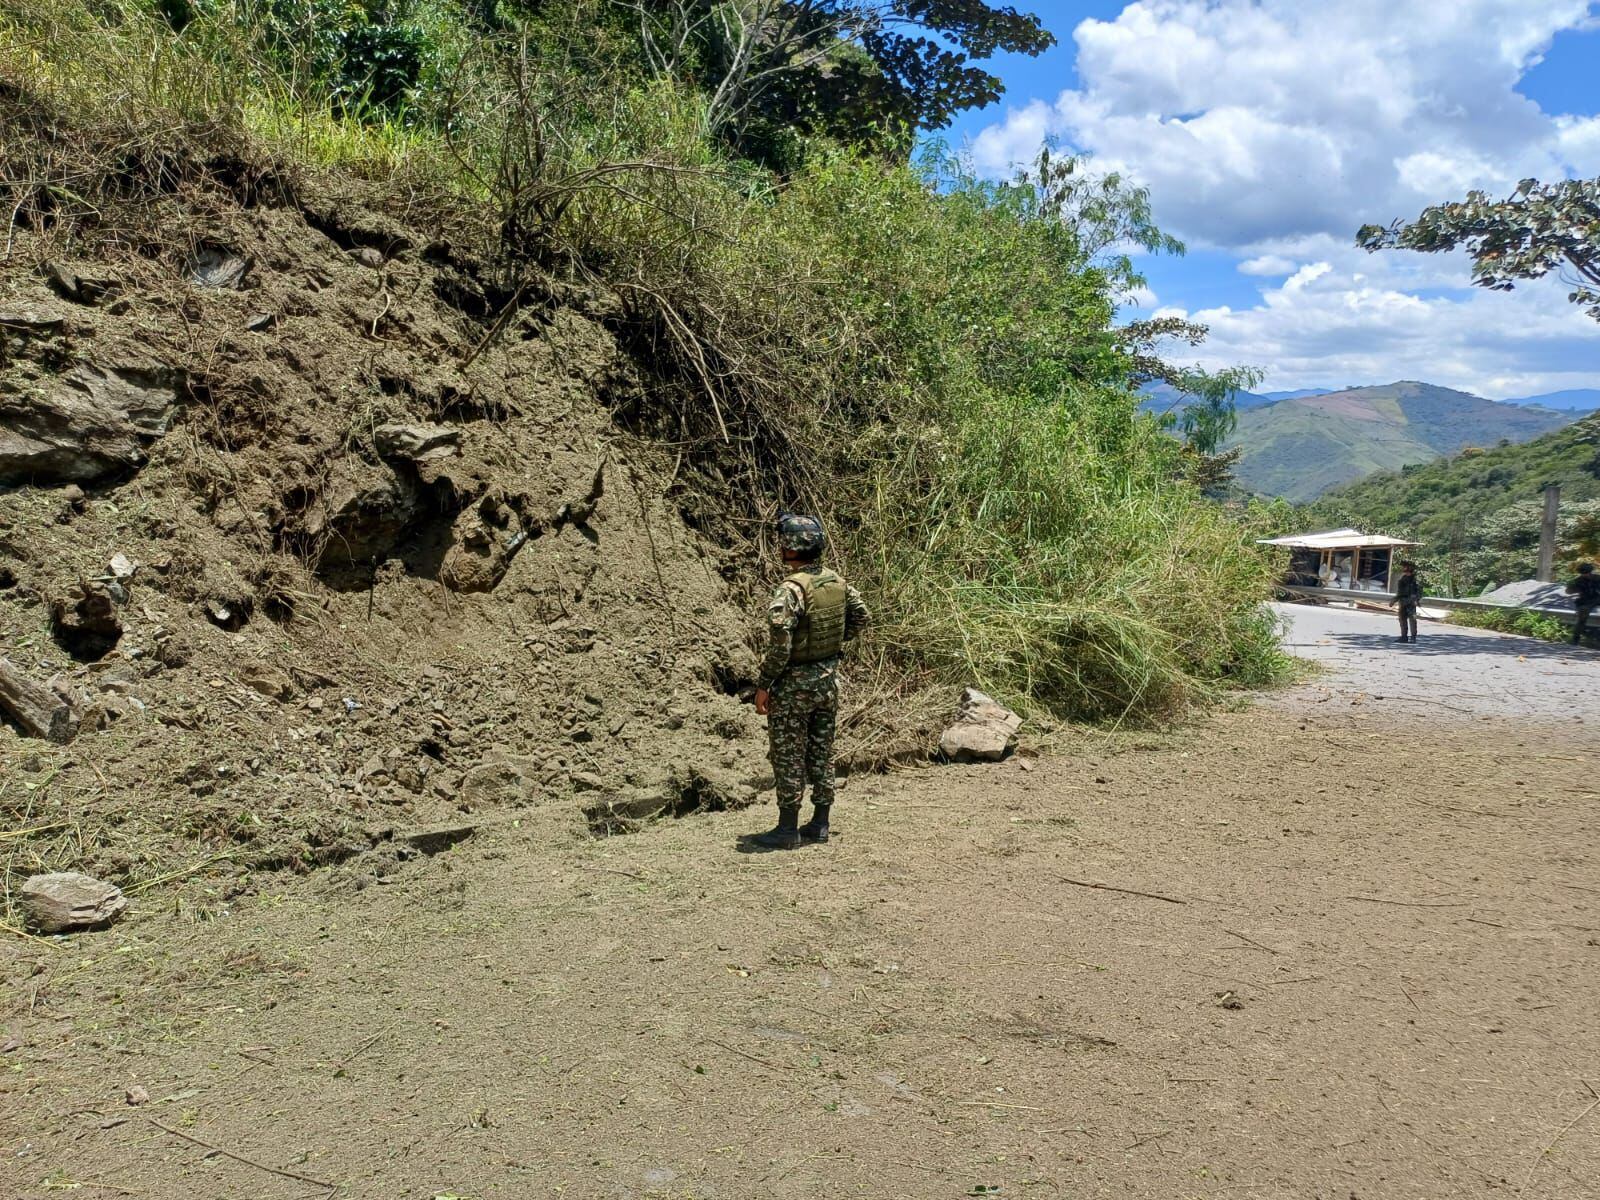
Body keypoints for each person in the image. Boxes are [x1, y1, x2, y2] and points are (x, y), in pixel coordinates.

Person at [751, 513, 869, 850]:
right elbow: (862, 615)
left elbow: (780, 644)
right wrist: (833, 646)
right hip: (828, 680)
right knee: (821, 750)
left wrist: (765, 684)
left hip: (794, 687)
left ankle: (787, 829)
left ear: (789, 548)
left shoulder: (791, 589)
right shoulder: (836, 581)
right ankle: (820, 823)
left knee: (788, 753)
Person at [1567, 562, 1600, 645]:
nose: (1585, 575)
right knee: (1582, 616)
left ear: (1590, 572)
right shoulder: (1577, 581)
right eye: (1583, 573)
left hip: (1597, 598)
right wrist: (1574, 589)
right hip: (1586, 601)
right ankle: (1576, 638)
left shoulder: (1598, 578)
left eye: (1587, 573)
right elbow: (1568, 591)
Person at [1393, 560, 1421, 643]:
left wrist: (1416, 599)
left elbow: (1419, 591)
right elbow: (1400, 592)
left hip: (1411, 603)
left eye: (1405, 567)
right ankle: (1404, 637)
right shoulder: (1403, 579)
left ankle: (1413, 637)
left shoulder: (1415, 580)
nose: (1403, 568)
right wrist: (1394, 600)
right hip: (1403, 602)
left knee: (1412, 620)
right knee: (1402, 620)